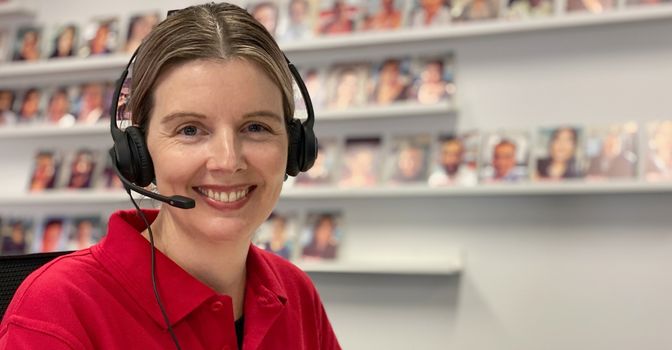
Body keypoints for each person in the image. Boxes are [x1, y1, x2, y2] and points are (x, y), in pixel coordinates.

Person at [0, 3, 341, 349]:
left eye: (256, 127)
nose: (227, 160)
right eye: (190, 129)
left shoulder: (296, 293)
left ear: (295, 146)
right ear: (139, 151)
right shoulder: (58, 311)